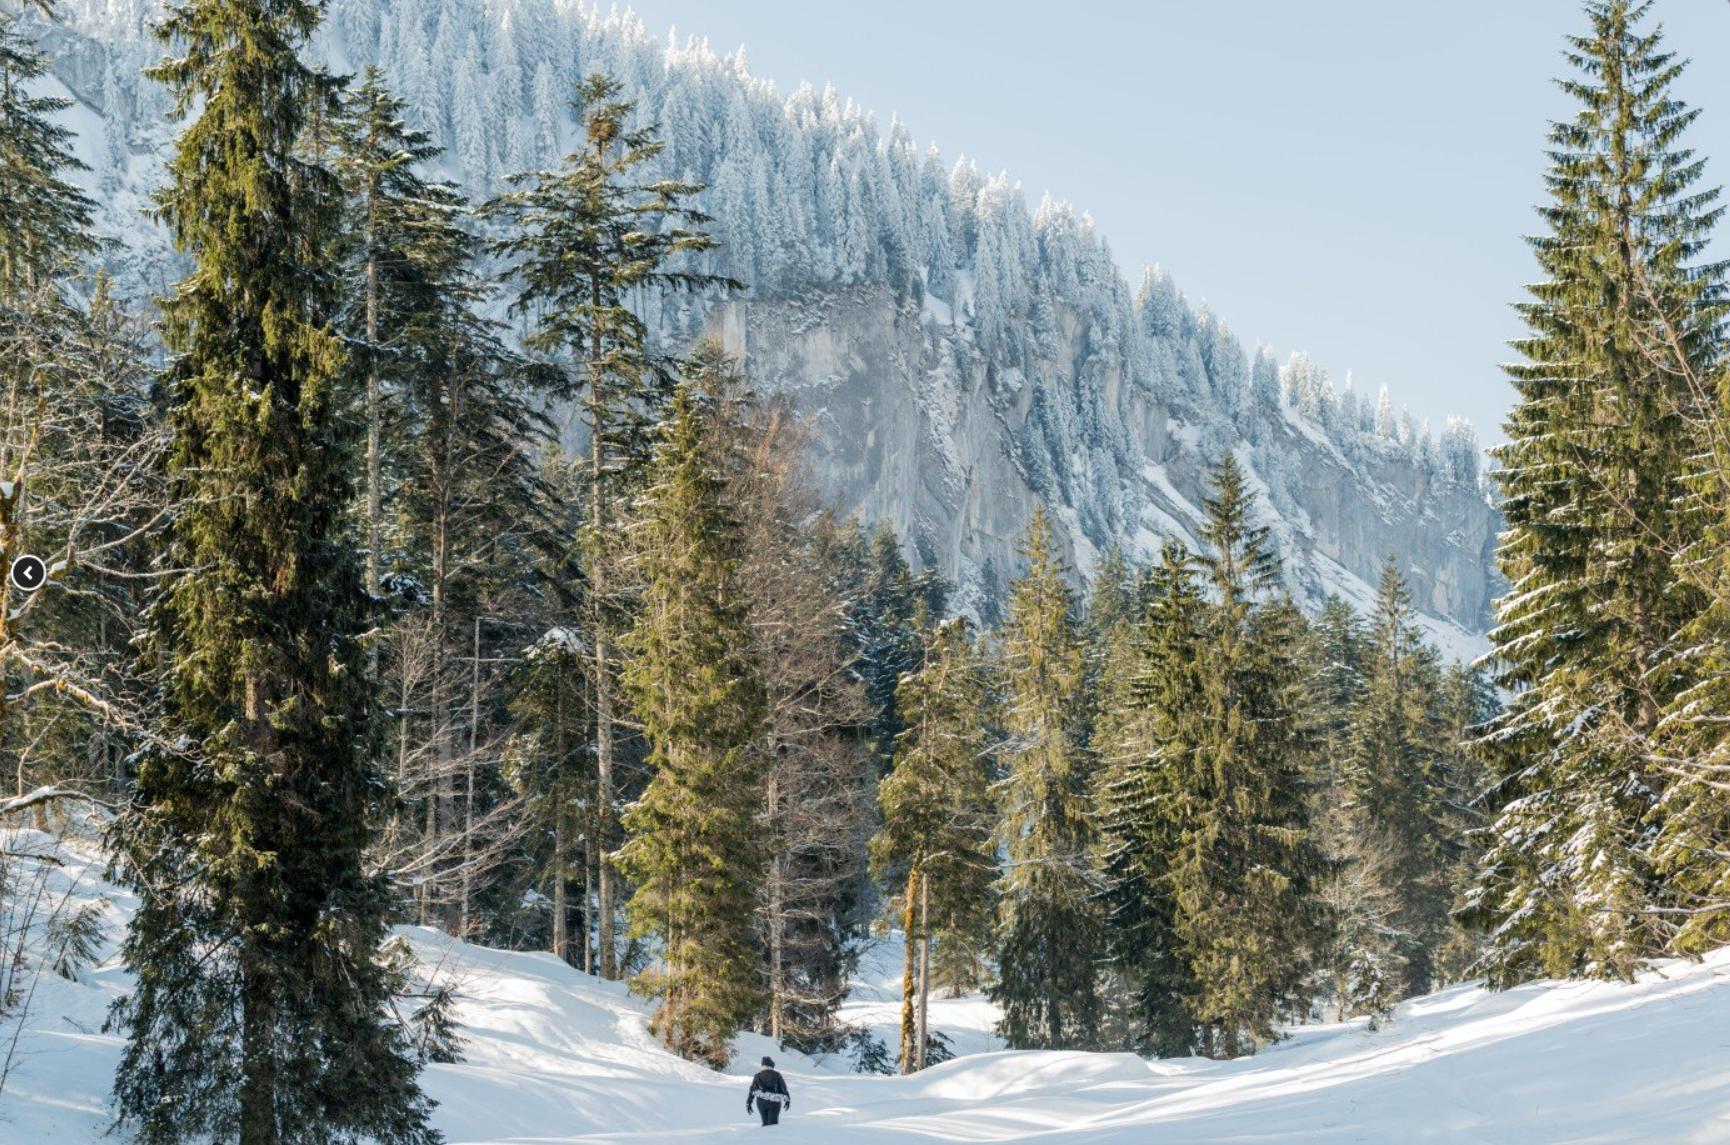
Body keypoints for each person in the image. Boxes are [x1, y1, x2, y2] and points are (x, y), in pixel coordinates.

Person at [747, 1056, 791, 1126]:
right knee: (773, 1124)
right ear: (771, 1065)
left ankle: (764, 1136)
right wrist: (787, 1100)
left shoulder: (757, 1076)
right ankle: (772, 1136)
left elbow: (752, 1090)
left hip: (761, 1103)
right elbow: (784, 1088)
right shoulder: (777, 1075)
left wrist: (749, 1103)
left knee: (765, 1123)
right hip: (774, 1102)